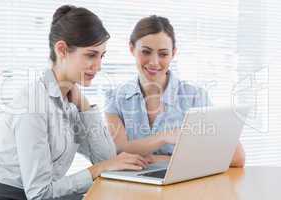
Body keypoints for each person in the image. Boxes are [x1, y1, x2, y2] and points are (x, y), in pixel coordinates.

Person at [0, 5, 149, 200]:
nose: (98, 66)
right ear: (61, 49)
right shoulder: (33, 104)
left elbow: (107, 160)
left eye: (101, 56)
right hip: (5, 195)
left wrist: (85, 106)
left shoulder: (70, 101)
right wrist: (97, 170)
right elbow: (40, 194)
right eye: (91, 55)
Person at [105, 15, 245, 167]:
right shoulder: (115, 98)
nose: (154, 62)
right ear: (131, 49)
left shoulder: (194, 97)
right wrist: (163, 138)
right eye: (146, 52)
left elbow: (236, 157)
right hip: (131, 186)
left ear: (173, 53)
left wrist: (165, 160)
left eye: (163, 54)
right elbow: (116, 152)